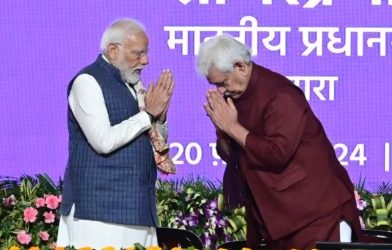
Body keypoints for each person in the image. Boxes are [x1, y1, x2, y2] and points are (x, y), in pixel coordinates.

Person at [196, 34, 363, 250]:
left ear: (241, 67)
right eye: (215, 85)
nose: (220, 90)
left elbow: (277, 153)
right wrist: (222, 131)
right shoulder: (236, 97)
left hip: (315, 213)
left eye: (222, 82)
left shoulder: (281, 95)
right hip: (276, 217)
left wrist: (232, 127)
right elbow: (236, 157)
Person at [56, 18, 174, 249]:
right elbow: (103, 141)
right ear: (113, 50)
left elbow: (151, 138)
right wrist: (148, 114)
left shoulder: (133, 84)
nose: (145, 61)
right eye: (138, 53)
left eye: (146, 52)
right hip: (99, 212)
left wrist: (159, 117)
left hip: (138, 208)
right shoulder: (87, 81)